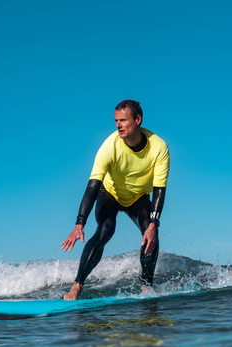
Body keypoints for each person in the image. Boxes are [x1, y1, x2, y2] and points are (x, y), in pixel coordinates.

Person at [61, 99, 170, 300]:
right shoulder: (109, 146)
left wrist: (154, 223)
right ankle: (77, 285)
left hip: (138, 197)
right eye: (115, 121)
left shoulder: (159, 147)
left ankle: (146, 286)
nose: (118, 125)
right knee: (105, 230)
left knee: (150, 234)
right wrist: (79, 223)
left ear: (138, 120)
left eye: (123, 120)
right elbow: (93, 185)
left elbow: (159, 189)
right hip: (110, 193)